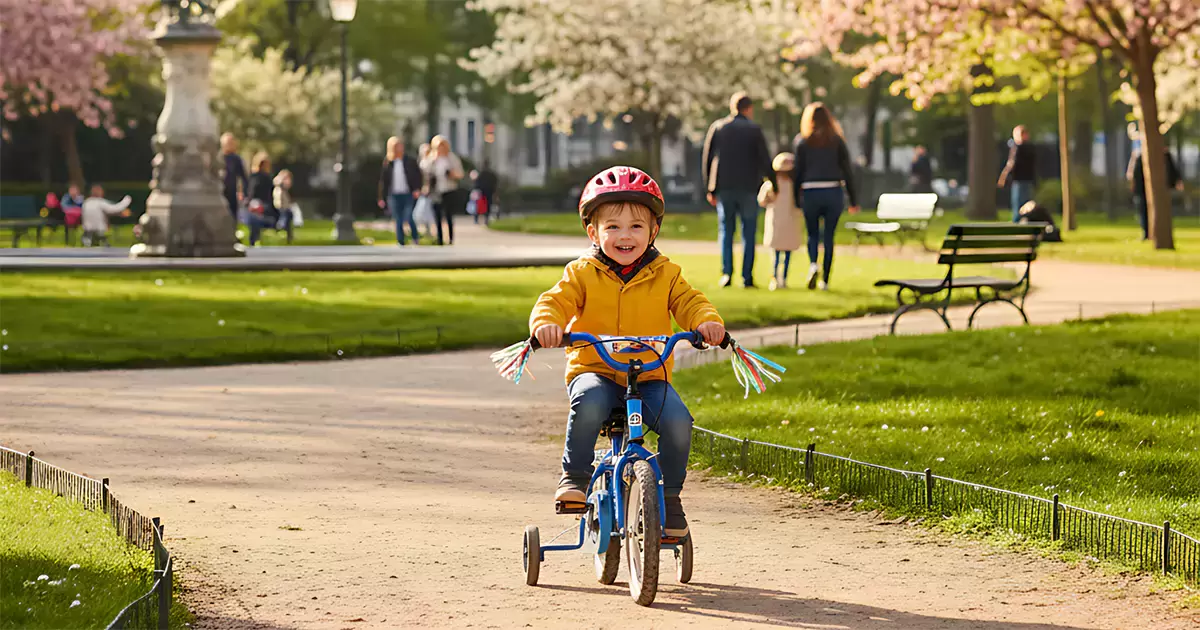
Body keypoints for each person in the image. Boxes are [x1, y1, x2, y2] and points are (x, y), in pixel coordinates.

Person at [530, 166, 726, 539]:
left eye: (636, 226)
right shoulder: (581, 273)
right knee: (588, 401)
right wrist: (547, 325)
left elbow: (690, 302)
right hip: (596, 371)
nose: (625, 236)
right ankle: (575, 477)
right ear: (593, 232)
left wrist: (707, 322)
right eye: (613, 227)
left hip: (650, 376)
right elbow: (554, 301)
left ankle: (669, 498)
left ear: (653, 231)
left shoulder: (666, 274)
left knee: (678, 422)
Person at [702, 92, 776, 288]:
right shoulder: (754, 129)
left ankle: (726, 273)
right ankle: (747, 276)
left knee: (726, 230)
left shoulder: (718, 127)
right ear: (749, 108)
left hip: (724, 187)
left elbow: (708, 159)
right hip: (749, 187)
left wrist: (709, 188)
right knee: (748, 232)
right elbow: (764, 159)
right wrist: (773, 183)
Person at [791, 102, 859, 291]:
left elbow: (798, 172)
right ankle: (826, 280)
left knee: (812, 234)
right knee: (829, 236)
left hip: (811, 191)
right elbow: (847, 171)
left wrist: (796, 199)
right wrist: (854, 200)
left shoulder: (802, 142)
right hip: (832, 190)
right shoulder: (836, 141)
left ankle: (813, 263)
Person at [759, 152, 802, 291]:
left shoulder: (771, 185)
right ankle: (783, 278)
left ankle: (775, 278)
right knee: (787, 253)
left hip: (775, 222)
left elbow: (761, 200)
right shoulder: (794, 186)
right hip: (790, 222)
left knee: (776, 253)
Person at [1126, 139, 1184, 241]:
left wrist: (1176, 181)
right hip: (1142, 190)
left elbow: (1172, 170)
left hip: (1159, 189)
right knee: (1143, 211)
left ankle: (1155, 232)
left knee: (1157, 210)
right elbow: (1134, 174)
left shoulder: (1164, 155)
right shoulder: (1140, 155)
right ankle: (1147, 232)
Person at [377, 136, 424, 245]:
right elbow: (383, 181)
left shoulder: (410, 161)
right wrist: (381, 197)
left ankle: (415, 237)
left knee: (409, 216)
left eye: (400, 146)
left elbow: (418, 176)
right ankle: (401, 240)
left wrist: (417, 189)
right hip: (394, 194)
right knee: (398, 218)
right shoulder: (388, 162)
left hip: (408, 193)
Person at [421, 136, 465, 245]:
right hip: (436, 190)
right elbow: (423, 168)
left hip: (449, 189)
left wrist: (452, 173)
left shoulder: (451, 158)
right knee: (437, 215)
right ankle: (440, 238)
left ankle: (450, 238)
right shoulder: (432, 159)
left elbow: (460, 173)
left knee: (448, 214)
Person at [998, 125, 1037, 223]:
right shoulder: (1030, 148)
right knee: (1024, 203)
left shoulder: (1018, 148)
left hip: (1020, 180)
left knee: (1019, 203)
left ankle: (1017, 221)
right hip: (1026, 179)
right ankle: (1024, 221)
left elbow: (1011, 163)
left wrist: (1004, 176)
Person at [245, 152, 277, 246]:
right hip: (256, 204)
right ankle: (255, 237)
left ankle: (255, 237)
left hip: (263, 205)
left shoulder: (264, 178)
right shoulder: (255, 177)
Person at [220, 132, 248, 221]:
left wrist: (244, 192)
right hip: (219, 192)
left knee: (232, 216)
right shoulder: (218, 158)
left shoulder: (236, 159)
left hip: (232, 192)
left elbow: (243, 177)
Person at [272, 169, 297, 242]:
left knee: (288, 219)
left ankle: (289, 236)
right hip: (281, 205)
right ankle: (280, 226)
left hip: (284, 205)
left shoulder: (282, 188)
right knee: (285, 217)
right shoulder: (280, 186)